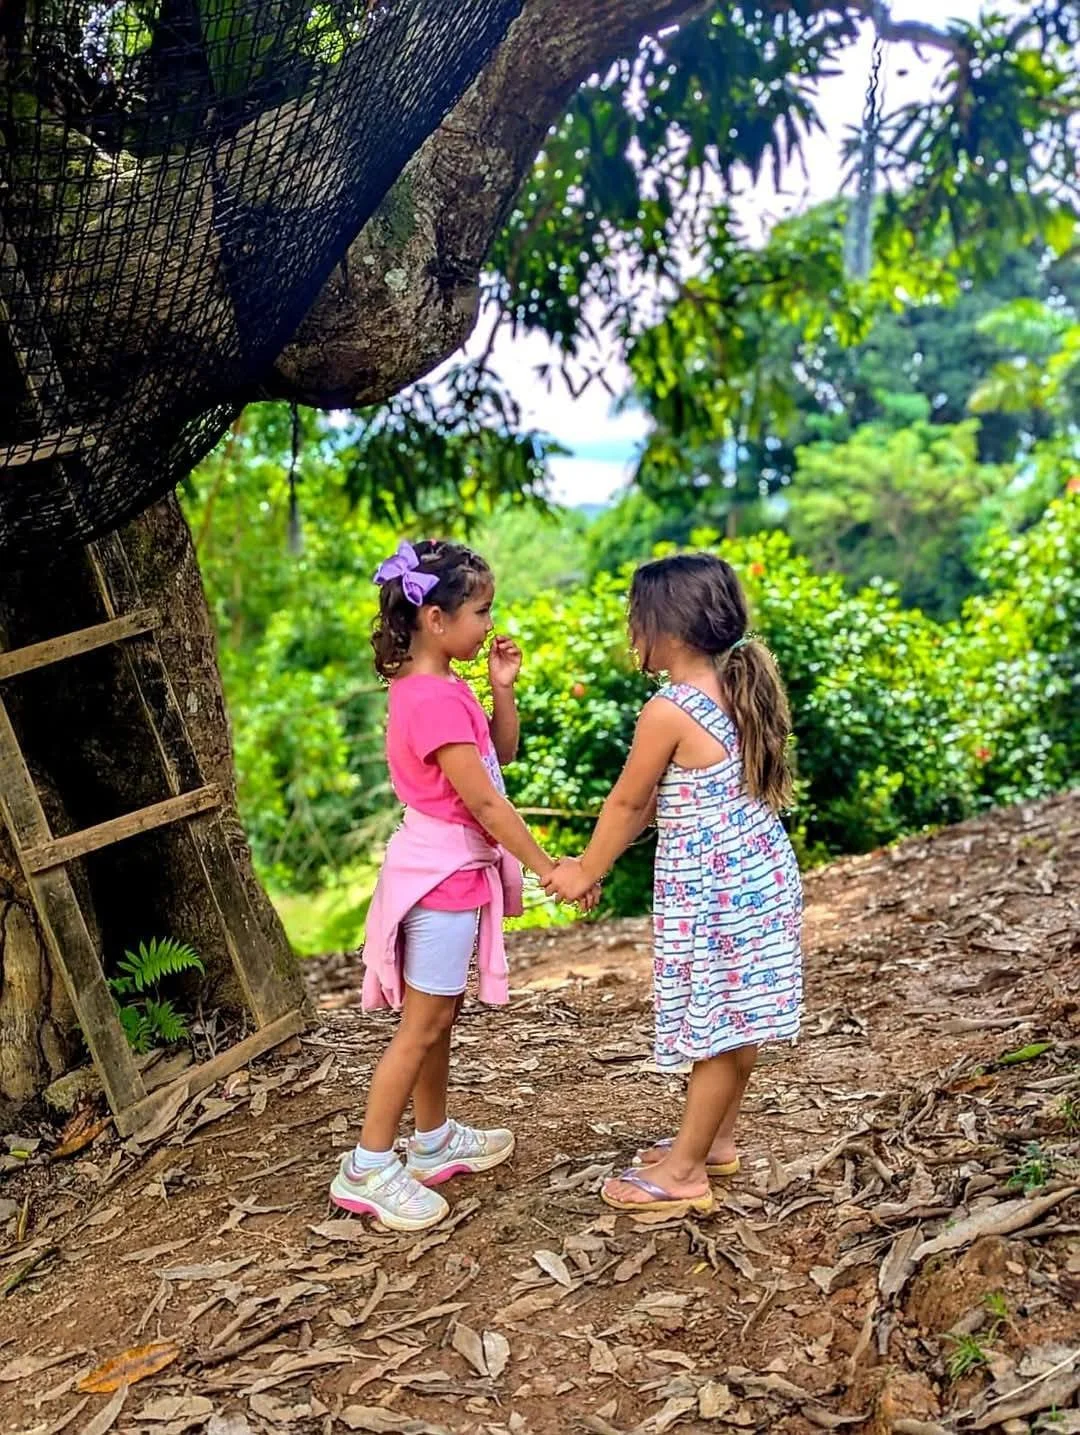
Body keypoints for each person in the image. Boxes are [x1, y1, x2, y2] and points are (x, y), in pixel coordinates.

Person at [330, 539, 594, 1232]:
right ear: (436, 620)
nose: (490, 624)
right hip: (442, 874)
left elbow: (498, 757)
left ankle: (434, 1136)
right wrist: (547, 867)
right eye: (481, 611)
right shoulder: (434, 700)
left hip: (451, 870)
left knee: (438, 1017)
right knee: (420, 1026)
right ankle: (366, 1164)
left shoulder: (445, 689)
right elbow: (486, 804)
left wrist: (502, 689)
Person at [543, 553, 802, 1215]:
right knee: (734, 1019)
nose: (632, 632)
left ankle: (685, 1171)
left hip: (718, 892)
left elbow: (630, 804)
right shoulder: (737, 686)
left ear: (673, 630)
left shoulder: (669, 709)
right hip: (756, 879)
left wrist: (585, 870)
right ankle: (714, 1140)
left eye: (639, 619)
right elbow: (668, 798)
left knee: (716, 1026)